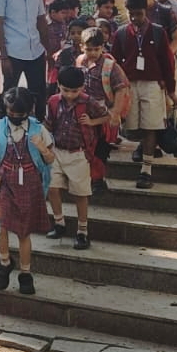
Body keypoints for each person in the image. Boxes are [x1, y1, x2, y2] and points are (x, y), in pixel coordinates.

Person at [0, 88, 52, 295]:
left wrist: (42, 148)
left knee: (24, 232)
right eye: (11, 113)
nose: (15, 117)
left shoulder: (38, 129)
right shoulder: (0, 126)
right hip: (5, 180)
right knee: (0, 224)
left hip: (29, 183)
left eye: (20, 114)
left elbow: (51, 159)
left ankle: (26, 273)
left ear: (29, 110)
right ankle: (5, 262)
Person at [43, 66, 112, 251]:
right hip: (57, 151)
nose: (70, 95)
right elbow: (48, 124)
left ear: (82, 88)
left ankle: (82, 231)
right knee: (52, 188)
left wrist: (92, 122)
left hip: (79, 153)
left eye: (74, 91)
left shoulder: (89, 102)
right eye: (65, 90)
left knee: (80, 193)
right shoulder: (53, 101)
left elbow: (107, 116)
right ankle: (59, 222)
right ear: (58, 85)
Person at [111, 0, 175, 190]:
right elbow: (114, 64)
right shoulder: (121, 33)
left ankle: (146, 170)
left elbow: (167, 63)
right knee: (132, 127)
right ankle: (142, 149)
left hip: (152, 85)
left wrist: (171, 90)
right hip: (129, 85)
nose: (134, 18)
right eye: (130, 14)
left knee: (150, 126)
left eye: (138, 13)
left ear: (146, 11)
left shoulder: (158, 32)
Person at [0, 0, 50, 119]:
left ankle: (38, 126)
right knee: (10, 93)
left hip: (36, 51)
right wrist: (4, 57)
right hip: (13, 53)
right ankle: (4, 126)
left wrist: (49, 50)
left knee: (39, 93)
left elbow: (41, 20)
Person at [78, 26, 131, 187]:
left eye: (96, 49)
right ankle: (86, 178)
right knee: (85, 146)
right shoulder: (80, 62)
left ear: (102, 47)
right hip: (85, 113)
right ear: (81, 47)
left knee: (100, 148)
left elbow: (121, 89)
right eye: (89, 49)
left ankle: (98, 180)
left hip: (104, 114)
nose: (93, 53)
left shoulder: (110, 66)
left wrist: (115, 113)